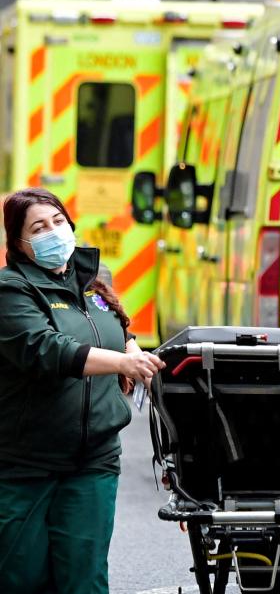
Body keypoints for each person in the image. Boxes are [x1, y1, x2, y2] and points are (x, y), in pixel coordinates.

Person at [0, 188, 166, 594]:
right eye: (39, 228)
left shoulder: (92, 278)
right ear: (19, 244)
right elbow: (47, 349)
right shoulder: (11, 290)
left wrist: (135, 354)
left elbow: (117, 331)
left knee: (85, 580)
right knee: (21, 579)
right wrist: (123, 364)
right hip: (25, 463)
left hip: (94, 459)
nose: (53, 231)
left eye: (58, 221)